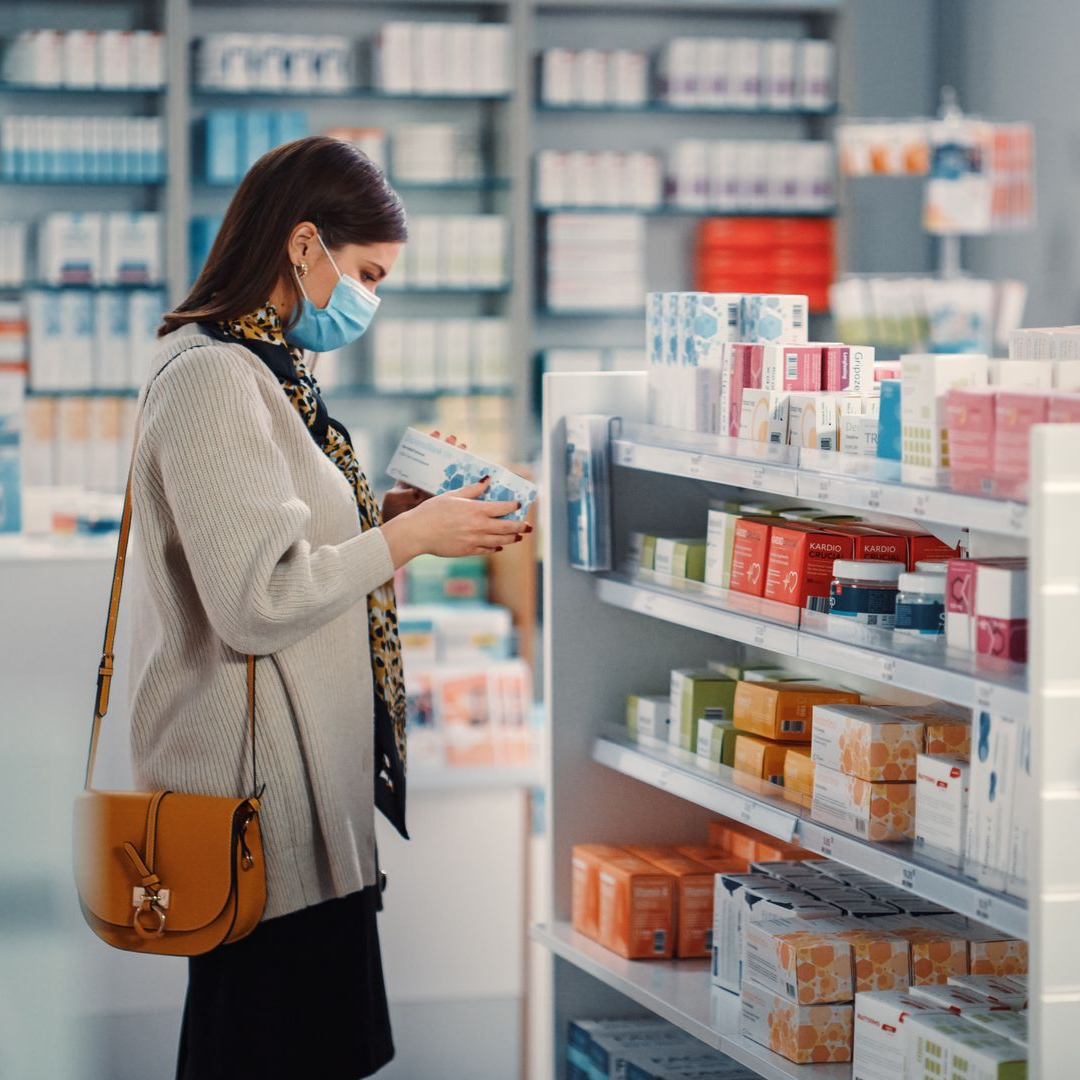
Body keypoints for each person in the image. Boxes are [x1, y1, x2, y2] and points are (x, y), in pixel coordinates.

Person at [128, 135, 530, 1079]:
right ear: (303, 244)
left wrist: (389, 516)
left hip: (303, 799)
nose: (370, 302)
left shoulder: (274, 369)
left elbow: (285, 543)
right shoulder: (213, 377)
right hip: (259, 812)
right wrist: (406, 540)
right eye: (367, 275)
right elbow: (256, 599)